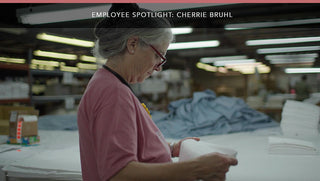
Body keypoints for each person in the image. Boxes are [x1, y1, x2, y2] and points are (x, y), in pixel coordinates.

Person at [77, 3, 237, 181]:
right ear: (133, 44)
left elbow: (129, 146)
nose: (158, 68)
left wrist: (170, 148)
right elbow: (119, 174)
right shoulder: (113, 93)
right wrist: (195, 168)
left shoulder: (108, 83)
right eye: (158, 56)